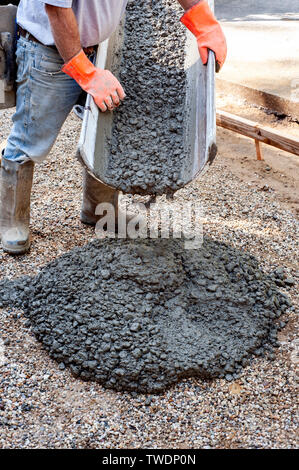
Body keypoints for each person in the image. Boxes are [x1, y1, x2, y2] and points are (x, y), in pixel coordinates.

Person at [0, 0, 226, 255]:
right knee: (30, 137)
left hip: (100, 49)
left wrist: (201, 17)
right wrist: (86, 74)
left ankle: (99, 210)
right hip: (48, 53)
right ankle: (13, 223)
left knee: (107, 124)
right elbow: (56, 9)